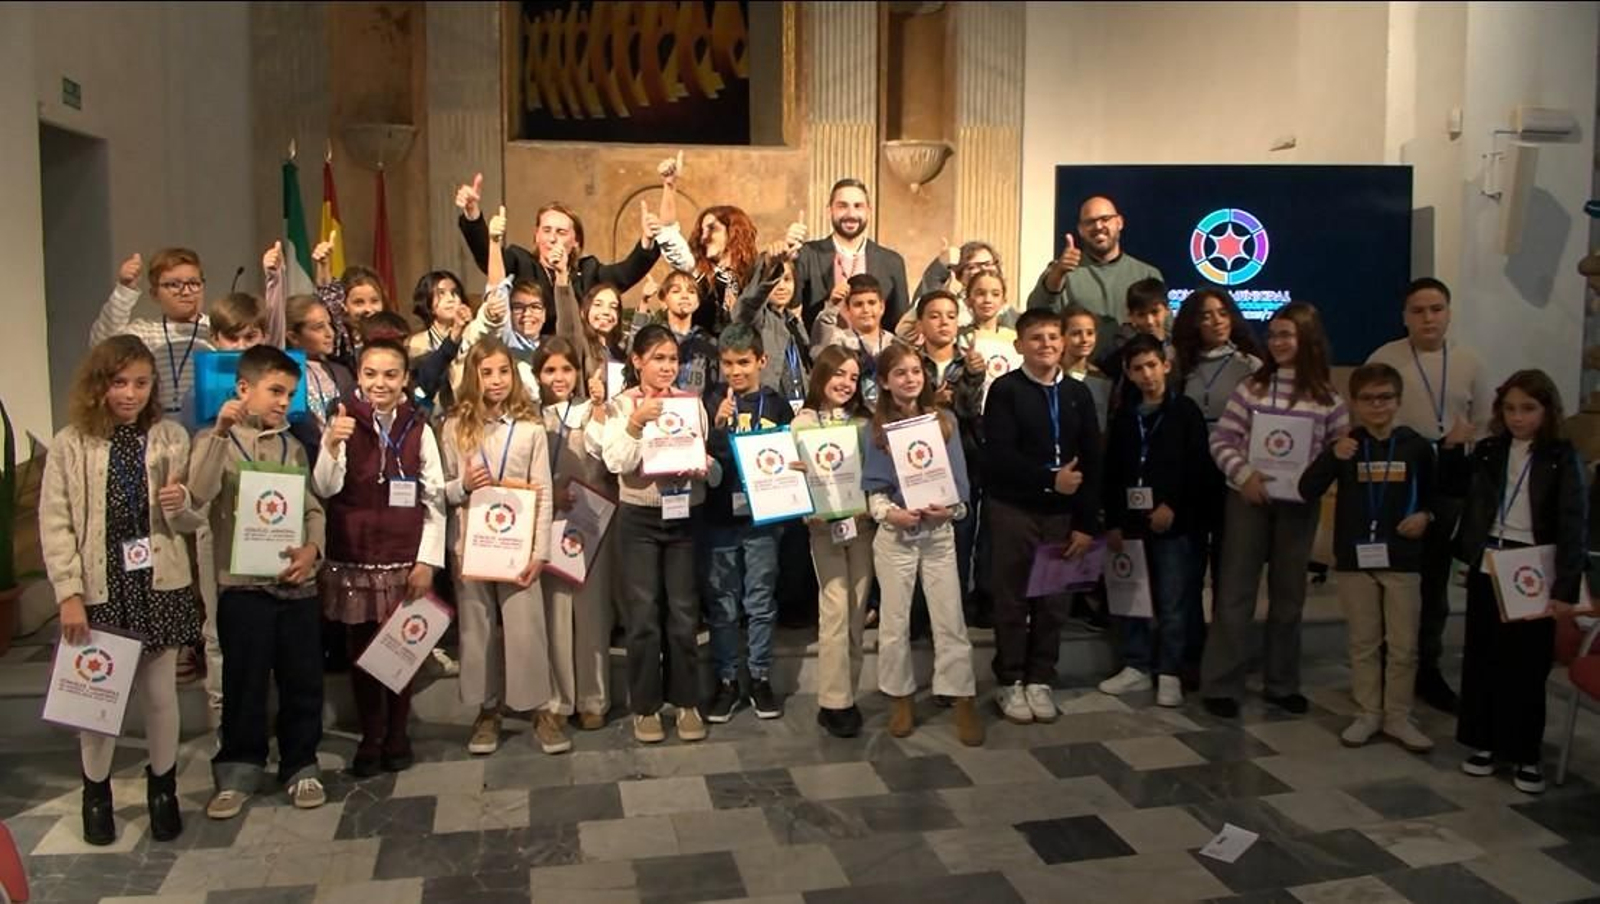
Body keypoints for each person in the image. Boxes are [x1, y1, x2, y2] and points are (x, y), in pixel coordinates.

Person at [41, 336, 205, 845]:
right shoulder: (71, 443)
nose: (130, 394)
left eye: (140, 382)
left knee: (160, 695)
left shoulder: (171, 436)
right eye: (119, 383)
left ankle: (163, 790)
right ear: (99, 385)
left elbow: (193, 519)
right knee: (99, 700)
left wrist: (181, 504)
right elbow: (56, 522)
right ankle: (97, 793)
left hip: (158, 584)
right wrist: (69, 593)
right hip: (100, 587)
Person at [187, 345, 326, 818]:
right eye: (274, 391)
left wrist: (313, 549)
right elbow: (198, 494)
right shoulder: (217, 441)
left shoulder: (292, 446)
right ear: (243, 389)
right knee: (244, 682)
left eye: (289, 394)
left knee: (302, 679)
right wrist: (219, 434)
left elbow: (310, 506)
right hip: (242, 586)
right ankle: (239, 770)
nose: (283, 402)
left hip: (295, 586)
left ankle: (301, 764)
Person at [1202, 302, 1348, 719]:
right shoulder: (1252, 388)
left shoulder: (1329, 399)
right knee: (1234, 592)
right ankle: (1222, 684)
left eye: (1287, 335)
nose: (1278, 342)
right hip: (1248, 499)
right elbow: (1222, 441)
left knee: (1289, 596)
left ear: (1307, 340)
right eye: (1274, 335)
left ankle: (1281, 682)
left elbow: (1339, 451)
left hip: (1299, 507)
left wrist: (1322, 470)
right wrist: (1244, 475)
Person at [312, 339, 447, 775]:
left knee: (400, 649)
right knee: (361, 650)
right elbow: (325, 488)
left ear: (405, 378)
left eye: (391, 374)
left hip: (403, 556)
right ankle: (371, 734)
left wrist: (427, 560)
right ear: (359, 375)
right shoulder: (343, 420)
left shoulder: (418, 426)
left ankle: (398, 733)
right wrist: (331, 445)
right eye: (371, 374)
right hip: (353, 554)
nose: (380, 383)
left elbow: (435, 498)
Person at [1452, 370, 1585, 795]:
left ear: (1546, 410)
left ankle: (1525, 751)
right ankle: (1483, 743)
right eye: (1509, 409)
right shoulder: (1491, 450)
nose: (1518, 418)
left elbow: (1572, 521)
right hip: (1490, 558)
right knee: (1482, 655)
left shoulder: (1562, 456)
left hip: (1534, 564)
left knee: (1526, 664)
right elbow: (1465, 495)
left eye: (1527, 409)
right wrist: (1453, 449)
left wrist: (1565, 589)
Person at [1365, 277, 1492, 714]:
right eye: (1418, 311)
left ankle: (1428, 669)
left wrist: (1465, 438)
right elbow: (1366, 414)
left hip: (1450, 482)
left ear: (1449, 312)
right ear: (1405, 316)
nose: (1428, 318)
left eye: (1436, 309)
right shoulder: (1386, 358)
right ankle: (1386, 664)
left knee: (1435, 582)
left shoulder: (1470, 363)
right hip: (1395, 481)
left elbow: (1488, 422)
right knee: (1392, 576)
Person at [1298, 363, 1436, 752]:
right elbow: (1308, 489)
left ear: (1397, 401)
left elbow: (1433, 496)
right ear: (1355, 403)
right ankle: (1368, 713)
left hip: (1402, 558)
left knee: (1405, 644)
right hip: (1356, 558)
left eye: (1385, 398)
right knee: (1364, 641)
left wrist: (1425, 515)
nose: (1377, 406)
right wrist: (1332, 456)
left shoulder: (1416, 447)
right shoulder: (1348, 446)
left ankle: (1398, 716)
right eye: (1368, 399)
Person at [440, 340, 559, 754]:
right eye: (487, 372)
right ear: (473, 377)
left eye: (503, 372)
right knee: (477, 630)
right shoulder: (454, 427)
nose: (495, 381)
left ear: (514, 375)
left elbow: (542, 491)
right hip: (471, 543)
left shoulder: (530, 429)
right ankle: (486, 710)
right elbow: (441, 490)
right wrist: (462, 486)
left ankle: (538, 707)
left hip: (518, 545)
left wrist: (540, 550)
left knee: (527, 628)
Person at [984, 310, 1102, 723]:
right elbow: (998, 456)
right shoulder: (1005, 390)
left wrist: (1088, 523)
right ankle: (1010, 680)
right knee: (1013, 598)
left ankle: (1040, 679)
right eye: (1036, 337)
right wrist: (1050, 479)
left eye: (1054, 336)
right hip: (1014, 509)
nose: (1047, 344)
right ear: (1019, 345)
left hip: (1063, 515)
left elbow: (1092, 459)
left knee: (1054, 602)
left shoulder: (1077, 394)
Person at [601, 324, 717, 744]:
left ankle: (686, 701)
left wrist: (700, 465)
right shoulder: (620, 406)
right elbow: (616, 461)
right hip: (639, 517)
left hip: (684, 513)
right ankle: (645, 707)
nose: (668, 367)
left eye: (673, 359)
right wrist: (635, 423)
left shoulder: (691, 404)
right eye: (658, 359)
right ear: (637, 362)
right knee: (643, 614)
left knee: (684, 613)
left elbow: (703, 456)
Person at [862, 344, 983, 746]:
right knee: (895, 622)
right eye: (900, 373)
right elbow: (874, 492)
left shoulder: (944, 421)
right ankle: (900, 696)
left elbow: (960, 491)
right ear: (884, 381)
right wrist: (889, 513)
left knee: (950, 617)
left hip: (938, 535)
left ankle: (961, 696)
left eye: (916, 371)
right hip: (897, 535)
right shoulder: (875, 429)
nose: (911, 378)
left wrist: (949, 511)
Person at [1097, 334, 1209, 708]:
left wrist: (1172, 506)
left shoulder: (1185, 412)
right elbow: (1112, 470)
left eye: (1151, 365)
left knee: (1174, 599)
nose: (1146, 375)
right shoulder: (1126, 417)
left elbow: (1197, 467)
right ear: (1128, 374)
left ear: (1166, 365)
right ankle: (1136, 664)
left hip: (1173, 524)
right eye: (1137, 369)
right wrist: (1112, 521)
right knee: (1133, 597)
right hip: (1129, 524)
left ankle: (1171, 671)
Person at [1169, 287, 1263, 687]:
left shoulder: (1252, 366)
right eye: (1205, 315)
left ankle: (1227, 658)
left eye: (1222, 313)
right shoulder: (1178, 365)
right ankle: (1191, 655)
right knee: (1188, 571)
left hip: (1234, 474)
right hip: (1190, 474)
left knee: (1231, 570)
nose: (1215, 321)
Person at [704, 324, 795, 723]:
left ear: (762, 360)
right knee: (723, 604)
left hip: (762, 519)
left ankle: (758, 677)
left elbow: (791, 453)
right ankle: (727, 681)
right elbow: (697, 459)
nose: (735, 371)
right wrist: (715, 428)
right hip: (719, 517)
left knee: (759, 600)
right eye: (727, 364)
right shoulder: (709, 403)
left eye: (743, 362)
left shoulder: (776, 404)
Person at [454, 173, 660, 334]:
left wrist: (647, 241)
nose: (552, 238)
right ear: (536, 235)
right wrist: (473, 215)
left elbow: (625, 274)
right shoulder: (520, 262)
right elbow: (488, 257)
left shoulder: (588, 272)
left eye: (561, 232)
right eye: (546, 230)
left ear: (575, 241)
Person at [792, 347, 876, 737]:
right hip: (824, 529)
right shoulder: (802, 423)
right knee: (836, 607)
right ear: (821, 375)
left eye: (854, 377)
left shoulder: (865, 423)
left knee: (857, 610)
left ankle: (849, 695)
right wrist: (797, 477)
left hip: (861, 526)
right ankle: (833, 701)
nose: (846, 383)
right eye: (839, 373)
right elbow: (786, 480)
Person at [532, 337, 614, 731]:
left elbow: (607, 456)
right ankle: (558, 698)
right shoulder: (531, 418)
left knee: (592, 613)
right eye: (550, 370)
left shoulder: (594, 410)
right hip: (550, 522)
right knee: (556, 614)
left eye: (566, 369)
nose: (559, 377)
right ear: (537, 375)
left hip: (593, 522)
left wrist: (599, 407)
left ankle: (594, 697)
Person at [1026, 196, 1163, 354]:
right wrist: (1058, 273)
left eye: (1105, 219)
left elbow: (1166, 330)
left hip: (1136, 373)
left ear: (1119, 222)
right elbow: (1035, 316)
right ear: (1080, 230)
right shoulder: (1063, 272)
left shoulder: (1146, 274)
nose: (1098, 226)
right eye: (1089, 222)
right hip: (1079, 374)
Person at [92, 249, 213, 420]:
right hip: (157, 430)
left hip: (208, 428)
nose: (186, 292)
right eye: (174, 284)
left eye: (194, 283)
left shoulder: (218, 331)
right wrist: (125, 289)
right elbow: (102, 346)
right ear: (155, 294)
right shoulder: (145, 331)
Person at [793, 179, 910, 331]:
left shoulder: (891, 262)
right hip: (820, 352)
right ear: (830, 210)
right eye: (842, 206)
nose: (851, 214)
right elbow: (789, 304)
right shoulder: (807, 254)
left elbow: (899, 325)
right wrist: (786, 260)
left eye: (858, 206)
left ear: (869, 211)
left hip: (876, 353)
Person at [810, 274, 901, 407]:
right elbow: (819, 347)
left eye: (872, 303)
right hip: (850, 414)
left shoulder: (893, 343)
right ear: (847, 309)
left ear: (882, 307)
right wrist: (832, 306)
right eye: (858, 304)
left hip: (888, 413)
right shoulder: (839, 340)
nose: (866, 310)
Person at [406, 270, 472, 408]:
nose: (450, 299)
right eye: (441, 294)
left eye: (455, 293)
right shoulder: (417, 343)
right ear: (427, 301)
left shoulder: (472, 337)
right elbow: (419, 390)